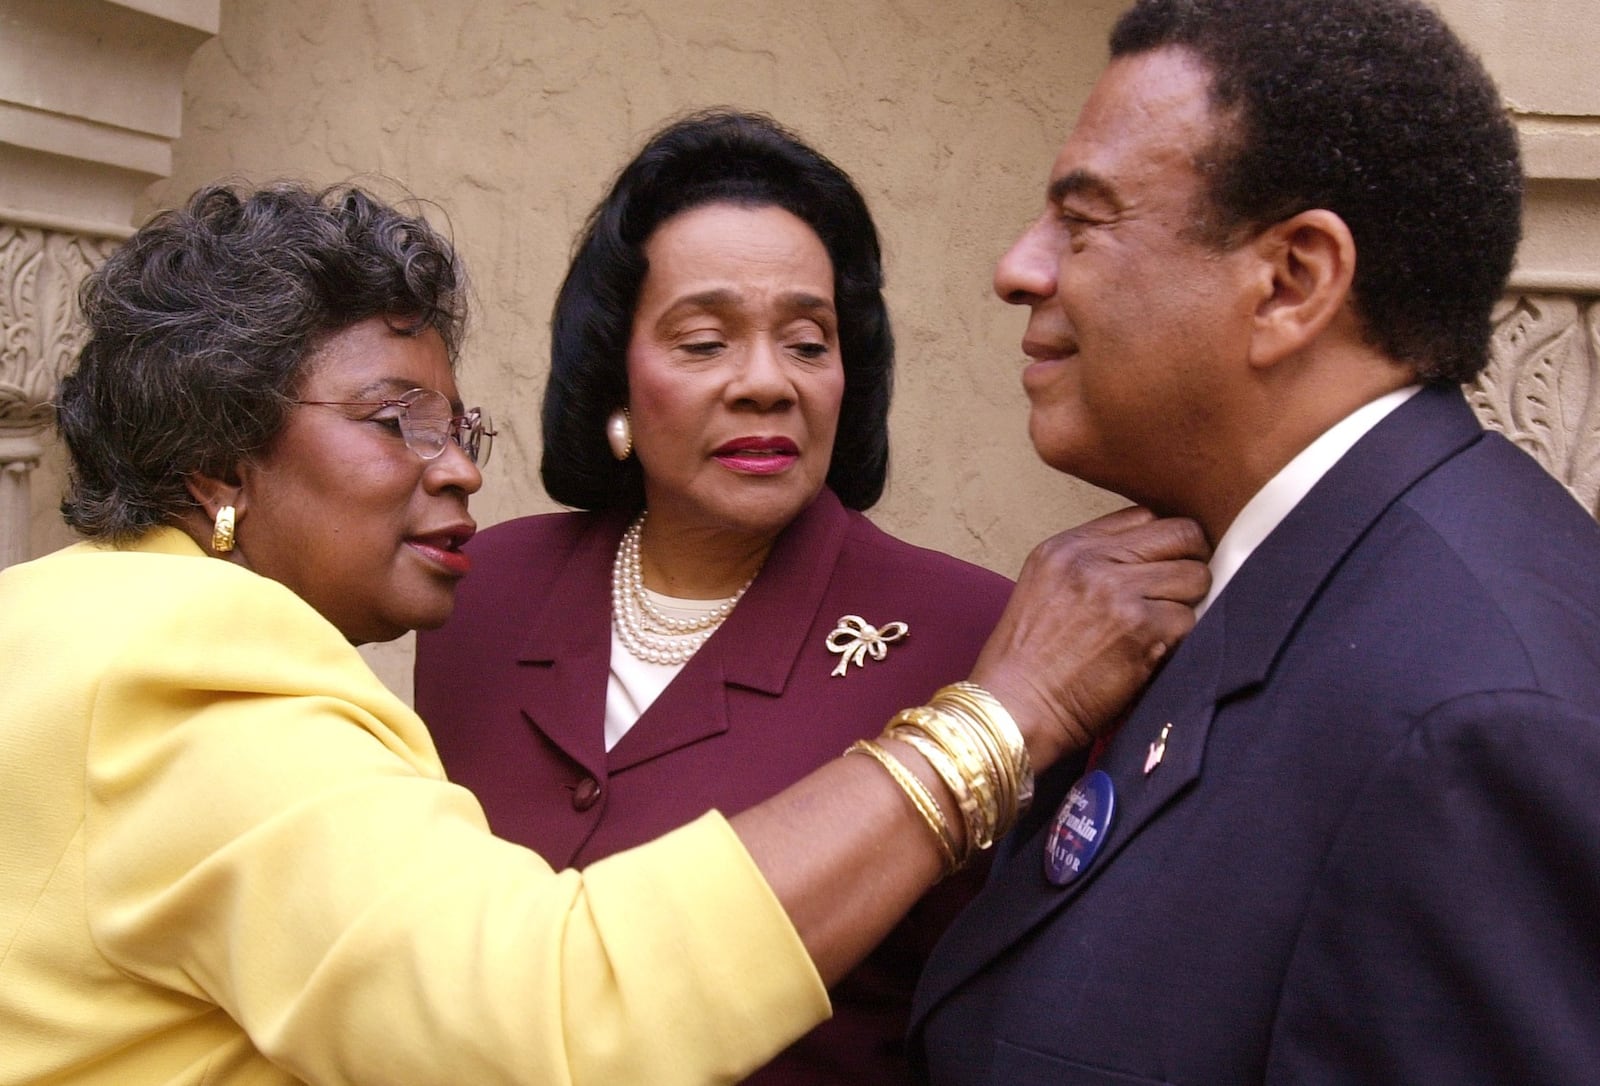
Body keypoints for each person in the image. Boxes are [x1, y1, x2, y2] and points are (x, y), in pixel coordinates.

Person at [0, 181, 1209, 1086]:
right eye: (392, 422)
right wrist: (987, 729)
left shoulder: (56, 611)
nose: (458, 472)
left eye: (809, 339)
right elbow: (546, 1008)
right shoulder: (214, 662)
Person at [910, 1, 1600, 1082]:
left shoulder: (1472, 725)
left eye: (1082, 222)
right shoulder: (1265, 578)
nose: (1018, 267)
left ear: (1290, 281)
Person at [414, 109, 1008, 1084]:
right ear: (614, 373)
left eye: (808, 343)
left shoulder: (970, 634)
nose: (766, 383)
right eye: (703, 341)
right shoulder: (484, 588)